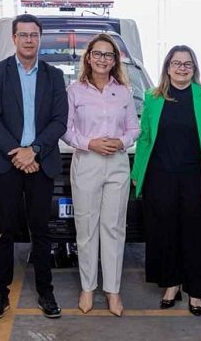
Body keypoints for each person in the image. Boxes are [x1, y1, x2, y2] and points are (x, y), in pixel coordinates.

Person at [130, 45, 201, 317]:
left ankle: (196, 290)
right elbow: (145, 138)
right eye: (176, 63)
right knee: (164, 233)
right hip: (160, 177)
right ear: (168, 67)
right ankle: (171, 284)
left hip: (198, 178)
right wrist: (137, 173)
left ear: (194, 68)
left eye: (187, 64)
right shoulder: (153, 97)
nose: (182, 68)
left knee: (198, 235)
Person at [0, 13, 68, 320]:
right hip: (6, 163)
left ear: (39, 39)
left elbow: (60, 120)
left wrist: (34, 151)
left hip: (40, 162)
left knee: (41, 231)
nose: (29, 40)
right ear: (14, 38)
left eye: (34, 35)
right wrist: (17, 154)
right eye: (23, 34)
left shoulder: (54, 75)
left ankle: (46, 292)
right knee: (3, 230)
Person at [62, 34, 139, 317]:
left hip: (117, 164)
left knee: (114, 228)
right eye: (98, 53)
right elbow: (65, 129)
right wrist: (90, 143)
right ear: (89, 57)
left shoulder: (124, 92)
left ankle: (112, 290)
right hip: (87, 162)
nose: (103, 59)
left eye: (108, 55)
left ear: (115, 60)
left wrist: (121, 141)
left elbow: (134, 129)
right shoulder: (74, 91)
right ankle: (87, 287)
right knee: (86, 227)